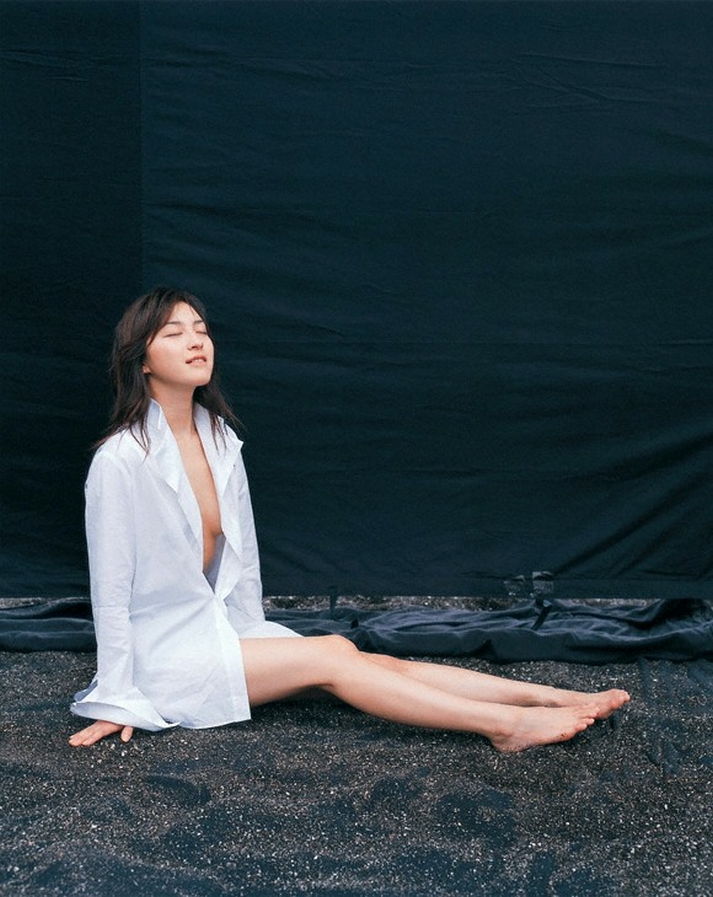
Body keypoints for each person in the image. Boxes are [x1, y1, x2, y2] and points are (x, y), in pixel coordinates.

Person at [69, 287, 630, 753]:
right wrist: (118, 696)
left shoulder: (219, 439)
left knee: (355, 656)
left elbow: (246, 561)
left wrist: (258, 638)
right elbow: (110, 592)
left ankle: (546, 696)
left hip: (216, 632)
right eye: (174, 333)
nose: (196, 340)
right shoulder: (121, 461)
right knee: (334, 656)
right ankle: (506, 727)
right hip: (163, 658)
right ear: (142, 360)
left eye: (201, 329)